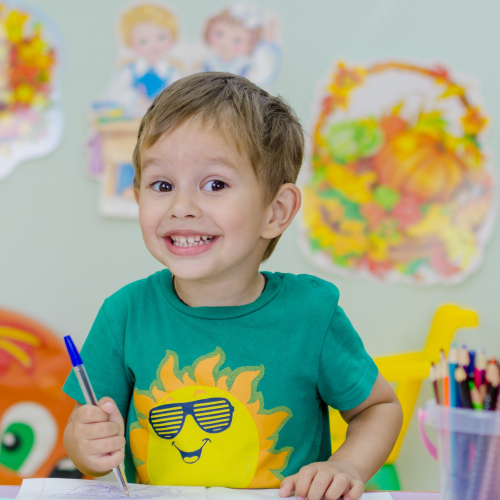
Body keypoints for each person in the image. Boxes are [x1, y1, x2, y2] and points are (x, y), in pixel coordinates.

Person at [63, 72, 402, 500]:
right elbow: (83, 434)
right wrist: (87, 446)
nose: (181, 207)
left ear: (276, 211)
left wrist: (346, 465)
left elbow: (378, 408)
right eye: (162, 185)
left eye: (215, 184)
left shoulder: (312, 315)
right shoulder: (124, 314)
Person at [94, 4, 182, 119]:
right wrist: (133, 99)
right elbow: (111, 99)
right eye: (143, 41)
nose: (154, 46)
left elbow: (181, 101)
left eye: (161, 37)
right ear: (131, 42)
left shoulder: (172, 74)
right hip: (131, 127)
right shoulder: (129, 72)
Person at [201, 2, 282, 88]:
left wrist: (269, 40)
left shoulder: (244, 68)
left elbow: (265, 77)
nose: (226, 42)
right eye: (219, 33)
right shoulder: (208, 63)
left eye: (237, 40)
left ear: (250, 45)